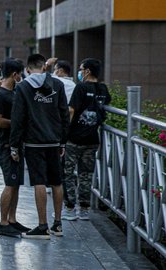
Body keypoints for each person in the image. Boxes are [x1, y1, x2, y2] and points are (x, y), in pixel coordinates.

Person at [10, 54, 70, 240]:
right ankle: (58, 224)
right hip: (54, 141)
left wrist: (14, 145)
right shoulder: (58, 85)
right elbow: (64, 114)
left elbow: (18, 118)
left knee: (39, 182)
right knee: (57, 181)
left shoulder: (23, 87)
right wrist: (63, 141)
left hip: (34, 142)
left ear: (27, 69)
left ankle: (42, 226)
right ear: (44, 67)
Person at [63, 58, 111, 221]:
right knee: (86, 174)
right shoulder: (103, 88)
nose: (80, 71)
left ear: (88, 71)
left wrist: (64, 132)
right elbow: (107, 104)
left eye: (81, 69)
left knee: (68, 173)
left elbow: (71, 110)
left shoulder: (81, 87)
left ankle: (69, 208)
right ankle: (84, 209)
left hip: (74, 138)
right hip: (92, 138)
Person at [0, 59, 30, 237]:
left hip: (15, 143)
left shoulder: (16, 92)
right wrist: (18, 124)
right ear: (15, 75)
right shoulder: (0, 95)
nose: (21, 77)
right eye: (20, 74)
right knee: (10, 182)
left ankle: (12, 220)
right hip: (4, 144)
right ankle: (3, 222)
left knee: (16, 184)